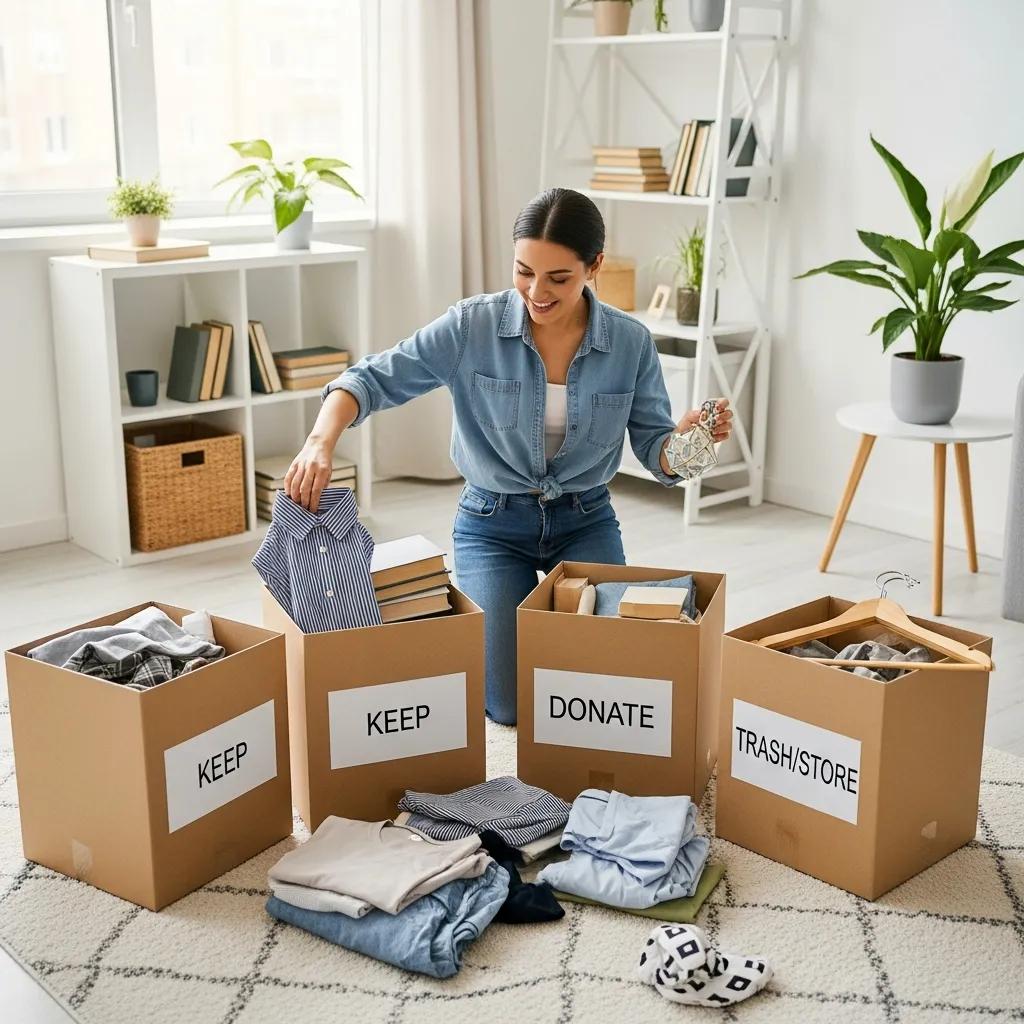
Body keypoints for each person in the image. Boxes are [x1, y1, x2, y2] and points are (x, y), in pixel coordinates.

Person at [285, 187, 732, 725]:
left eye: (557, 278)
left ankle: (556, 641)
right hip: (491, 524)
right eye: (524, 272)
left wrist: (689, 443)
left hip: (585, 519)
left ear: (594, 267)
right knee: (508, 705)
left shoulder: (631, 343)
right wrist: (319, 440)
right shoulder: (471, 326)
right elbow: (372, 378)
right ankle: (506, 640)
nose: (536, 292)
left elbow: (659, 456)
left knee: (615, 683)